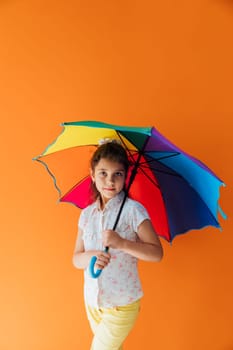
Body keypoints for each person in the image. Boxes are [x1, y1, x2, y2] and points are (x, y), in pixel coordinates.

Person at [73, 140, 163, 350]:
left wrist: (121, 243)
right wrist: (92, 255)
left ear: (126, 176)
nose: (110, 181)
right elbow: (76, 258)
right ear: (92, 174)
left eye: (118, 174)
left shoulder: (133, 211)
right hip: (93, 302)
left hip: (122, 303)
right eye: (103, 173)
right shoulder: (86, 215)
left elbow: (156, 253)